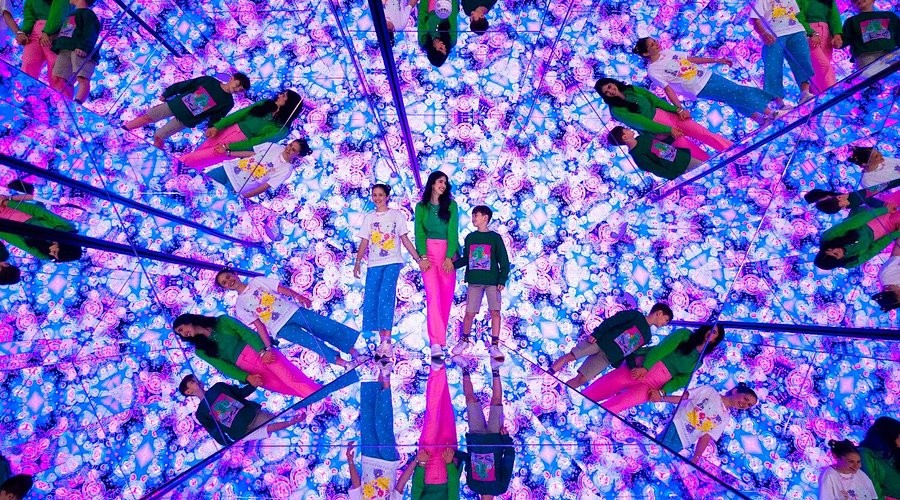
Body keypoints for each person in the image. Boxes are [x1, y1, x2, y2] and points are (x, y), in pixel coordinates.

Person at [215, 269, 362, 368]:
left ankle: (354, 352)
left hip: (294, 311)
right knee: (312, 343)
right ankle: (344, 363)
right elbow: (259, 326)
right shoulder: (240, 306)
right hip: (280, 328)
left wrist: (299, 296)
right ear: (225, 288)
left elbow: (280, 289)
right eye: (224, 283)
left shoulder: (257, 282)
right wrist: (267, 347)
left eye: (228, 277)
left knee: (326, 327)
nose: (229, 281)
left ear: (235, 274)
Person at [634, 37, 782, 125]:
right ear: (646, 53)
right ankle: (771, 110)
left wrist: (717, 60)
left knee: (733, 97)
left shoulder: (666, 52)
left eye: (654, 41)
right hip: (698, 87)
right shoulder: (653, 70)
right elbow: (668, 89)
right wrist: (679, 108)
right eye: (652, 45)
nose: (656, 44)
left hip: (708, 75)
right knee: (738, 92)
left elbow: (691, 59)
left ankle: (760, 120)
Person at [173, 313, 322, 397]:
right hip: (247, 369)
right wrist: (246, 377)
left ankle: (323, 395)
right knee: (286, 389)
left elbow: (247, 333)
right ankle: (320, 397)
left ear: (188, 321)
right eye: (180, 334)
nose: (183, 333)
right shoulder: (200, 350)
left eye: (181, 329)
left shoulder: (222, 321)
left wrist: (263, 351)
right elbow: (224, 367)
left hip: (259, 351)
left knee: (293, 379)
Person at [582, 325, 724, 413]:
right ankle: (581, 401)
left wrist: (662, 392)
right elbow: (661, 349)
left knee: (621, 403)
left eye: (715, 333)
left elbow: (681, 381)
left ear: (716, 340)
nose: (711, 332)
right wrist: (645, 367)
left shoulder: (698, 362)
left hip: (655, 385)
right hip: (645, 366)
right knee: (608, 384)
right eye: (711, 329)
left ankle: (594, 417)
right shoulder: (685, 334)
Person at [353, 183, 420, 358]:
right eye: (374, 195)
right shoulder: (369, 217)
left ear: (387, 197)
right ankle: (379, 339)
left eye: (380, 195)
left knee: (386, 296)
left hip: (392, 262)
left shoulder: (396, 215)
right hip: (374, 263)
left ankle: (387, 341)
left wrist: (418, 259)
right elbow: (364, 241)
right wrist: (357, 262)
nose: (377, 198)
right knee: (372, 299)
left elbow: (404, 239)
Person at [594, 77, 732, 160]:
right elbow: (643, 123)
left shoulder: (631, 89)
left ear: (613, 83)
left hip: (669, 115)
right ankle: (718, 167)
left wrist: (677, 110)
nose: (610, 91)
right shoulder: (616, 110)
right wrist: (668, 130)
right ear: (605, 96)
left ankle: (733, 150)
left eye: (609, 87)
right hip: (659, 132)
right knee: (692, 153)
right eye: (606, 92)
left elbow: (655, 100)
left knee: (704, 133)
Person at [204, 139, 311, 240]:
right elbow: (251, 154)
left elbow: (265, 186)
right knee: (201, 182)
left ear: (298, 155)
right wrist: (229, 153)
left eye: (293, 150)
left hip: (236, 186)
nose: (288, 149)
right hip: (228, 169)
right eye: (290, 145)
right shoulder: (274, 146)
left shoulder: (286, 169)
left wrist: (244, 196)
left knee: (209, 203)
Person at [550, 302, 674, 388]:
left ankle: (563, 392)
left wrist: (632, 367)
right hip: (599, 342)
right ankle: (549, 373)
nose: (665, 324)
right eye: (666, 319)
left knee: (582, 379)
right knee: (571, 356)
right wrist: (597, 333)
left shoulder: (647, 336)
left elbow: (631, 351)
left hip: (608, 358)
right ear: (659, 313)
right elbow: (613, 321)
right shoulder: (635, 315)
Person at [180, 89, 303, 170]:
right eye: (282, 93)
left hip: (239, 144)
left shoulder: (282, 129)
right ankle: (181, 173)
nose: (280, 95)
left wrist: (229, 147)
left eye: (284, 96)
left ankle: (175, 165)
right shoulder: (266, 103)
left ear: (289, 103)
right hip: (228, 129)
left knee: (200, 158)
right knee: (199, 154)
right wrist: (217, 126)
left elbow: (257, 142)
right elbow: (240, 114)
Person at [123, 73, 250, 149]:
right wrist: (169, 92)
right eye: (238, 85)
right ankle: (123, 129)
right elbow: (187, 84)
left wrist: (212, 128)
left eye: (241, 90)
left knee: (159, 136)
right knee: (147, 117)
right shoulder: (209, 81)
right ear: (232, 78)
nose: (237, 89)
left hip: (186, 119)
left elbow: (216, 117)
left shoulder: (228, 102)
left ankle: (156, 152)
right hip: (176, 105)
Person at [451, 205, 510, 362]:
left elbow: (504, 260)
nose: (473, 218)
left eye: (476, 215)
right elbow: (466, 258)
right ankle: (464, 341)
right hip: (475, 281)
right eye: (472, 216)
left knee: (495, 312)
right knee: (469, 313)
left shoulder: (495, 238)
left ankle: (495, 345)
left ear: (485, 218)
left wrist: (502, 279)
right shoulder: (470, 237)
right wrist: (452, 265)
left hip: (492, 282)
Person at [452, 355, 515, 498]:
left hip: (476, 438)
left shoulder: (472, 485)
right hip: (495, 437)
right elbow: (509, 459)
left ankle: (465, 368)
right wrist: (506, 439)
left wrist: (453, 454)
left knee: (470, 400)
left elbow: (468, 459)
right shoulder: (500, 488)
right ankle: (495, 369)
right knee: (496, 402)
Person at [178, 374, 303, 445]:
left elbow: (240, 393)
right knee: (268, 429)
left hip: (252, 415)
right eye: (193, 382)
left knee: (275, 420)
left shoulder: (218, 387)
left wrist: (253, 386)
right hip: (239, 433)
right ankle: (293, 421)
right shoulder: (201, 413)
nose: (197, 381)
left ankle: (295, 418)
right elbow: (215, 431)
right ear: (188, 392)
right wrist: (228, 444)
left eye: (196, 379)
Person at [414, 171, 460, 359]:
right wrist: (422, 257)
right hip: (429, 254)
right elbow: (419, 232)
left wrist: (449, 257)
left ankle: (441, 340)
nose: (443, 185)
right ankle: (435, 343)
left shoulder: (451, 205)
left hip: (448, 253)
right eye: (440, 181)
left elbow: (453, 231)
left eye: (445, 183)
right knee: (433, 296)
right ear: (432, 184)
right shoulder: (421, 207)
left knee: (445, 298)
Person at [344, 358, 406, 499]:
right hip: (389, 462)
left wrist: (350, 460)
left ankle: (381, 370)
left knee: (368, 416)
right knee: (383, 423)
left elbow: (356, 484)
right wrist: (417, 462)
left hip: (368, 458)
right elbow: (400, 486)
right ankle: (386, 377)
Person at [656, 384, 758, 464]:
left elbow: (706, 437)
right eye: (745, 399)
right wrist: (662, 398)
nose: (745, 404)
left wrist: (696, 457)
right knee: (656, 450)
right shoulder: (709, 391)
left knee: (661, 460)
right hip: (676, 424)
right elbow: (684, 397)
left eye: (749, 405)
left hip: (684, 441)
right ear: (735, 391)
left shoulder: (725, 418)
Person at [750, 0, 815, 107]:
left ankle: (805, 93)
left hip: (796, 31)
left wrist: (808, 32)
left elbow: (795, 14)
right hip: (774, 35)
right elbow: (754, 19)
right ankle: (779, 104)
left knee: (803, 60)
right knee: (773, 67)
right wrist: (763, 33)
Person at [814, 191, 900, 270]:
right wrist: (896, 233)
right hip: (882, 231)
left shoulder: (827, 238)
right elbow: (874, 249)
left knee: (895, 199)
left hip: (867, 215)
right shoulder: (849, 263)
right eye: (836, 254)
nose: (835, 250)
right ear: (839, 261)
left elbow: (854, 222)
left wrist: (884, 209)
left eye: (830, 250)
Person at [0, 195, 82, 261]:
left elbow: (16, 241)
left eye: (53, 255)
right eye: (54, 252)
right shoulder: (67, 227)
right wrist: (7, 202)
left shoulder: (44, 255)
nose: (50, 253)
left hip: (9, 225)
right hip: (18, 209)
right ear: (63, 246)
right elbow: (37, 211)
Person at [607, 126, 705, 180]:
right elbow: (656, 169)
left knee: (705, 167)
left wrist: (672, 136)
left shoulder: (642, 138)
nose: (629, 129)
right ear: (624, 137)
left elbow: (660, 145)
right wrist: (674, 177)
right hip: (678, 169)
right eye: (626, 130)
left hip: (682, 157)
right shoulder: (637, 156)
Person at [49, 0, 100, 103]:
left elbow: (91, 32)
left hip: (79, 50)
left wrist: (84, 47)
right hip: (65, 49)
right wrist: (56, 43)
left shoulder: (88, 14)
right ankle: (62, 102)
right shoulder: (72, 14)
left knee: (82, 78)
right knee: (58, 77)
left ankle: (77, 103)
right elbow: (66, 32)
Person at [15, 0, 69, 80]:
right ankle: (26, 86)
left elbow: (60, 10)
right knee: (28, 64)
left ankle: (57, 87)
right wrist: (24, 32)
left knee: (55, 70)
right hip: (36, 30)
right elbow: (29, 14)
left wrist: (48, 31)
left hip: (57, 31)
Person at [798, 0, 843, 94]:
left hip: (826, 32)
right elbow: (797, 14)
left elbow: (834, 14)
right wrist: (810, 32)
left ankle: (822, 97)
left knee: (820, 69)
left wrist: (837, 34)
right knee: (823, 67)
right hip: (807, 32)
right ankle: (834, 95)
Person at [841, 0, 900, 69]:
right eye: (854, 0)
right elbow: (843, 41)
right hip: (865, 57)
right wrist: (837, 39)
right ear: (852, 6)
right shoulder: (850, 22)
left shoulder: (890, 16)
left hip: (890, 53)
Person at [859, 416, 900, 499]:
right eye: (899, 435)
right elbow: (871, 486)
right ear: (889, 435)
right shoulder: (865, 454)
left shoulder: (893, 452)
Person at [804, 178, 900, 214]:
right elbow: (867, 200)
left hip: (879, 182)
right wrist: (883, 206)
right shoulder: (847, 202)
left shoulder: (837, 194)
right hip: (881, 185)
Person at [418, 0, 458, 67]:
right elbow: (452, 16)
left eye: (441, 48)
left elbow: (422, 17)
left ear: (433, 51)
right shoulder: (451, 41)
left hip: (430, 6)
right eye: (445, 49)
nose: (444, 46)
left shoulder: (423, 41)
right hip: (447, 4)